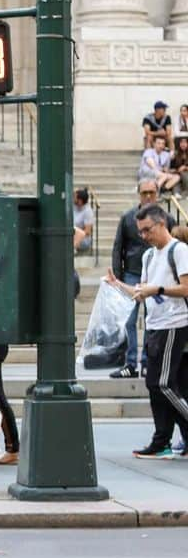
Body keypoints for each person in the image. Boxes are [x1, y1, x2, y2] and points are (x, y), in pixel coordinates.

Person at [106, 203, 188, 460]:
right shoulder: (149, 256)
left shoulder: (179, 250)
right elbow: (140, 292)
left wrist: (158, 290)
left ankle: (165, 437)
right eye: (140, 231)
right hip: (154, 325)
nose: (143, 236)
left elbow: (185, 288)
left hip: (175, 324)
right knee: (155, 386)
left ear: (162, 224)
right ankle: (161, 439)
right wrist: (117, 284)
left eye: (147, 230)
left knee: (162, 383)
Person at [111, 180, 157, 379]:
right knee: (129, 320)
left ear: (157, 194)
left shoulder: (165, 219)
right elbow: (118, 246)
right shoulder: (128, 217)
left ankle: (147, 361)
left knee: (152, 320)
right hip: (132, 273)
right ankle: (130, 363)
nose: (148, 196)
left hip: (156, 276)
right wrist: (118, 277)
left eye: (151, 192)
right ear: (139, 194)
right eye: (144, 192)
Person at [73, 187, 95, 253]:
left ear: (80, 201)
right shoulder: (74, 206)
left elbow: (87, 232)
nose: (73, 198)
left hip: (83, 239)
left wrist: (75, 233)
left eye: (75, 197)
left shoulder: (88, 212)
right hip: (72, 234)